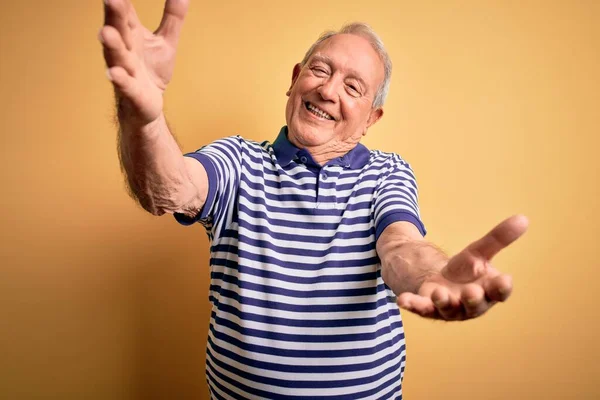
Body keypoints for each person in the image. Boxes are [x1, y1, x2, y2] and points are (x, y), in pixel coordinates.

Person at [100, 0, 529, 398]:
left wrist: (435, 275)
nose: (328, 91)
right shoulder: (238, 160)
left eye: (353, 87)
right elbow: (169, 189)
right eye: (320, 70)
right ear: (293, 81)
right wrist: (143, 117)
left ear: (370, 119)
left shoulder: (387, 173)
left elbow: (400, 246)